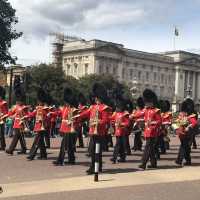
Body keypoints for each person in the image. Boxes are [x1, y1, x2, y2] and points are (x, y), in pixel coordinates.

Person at [77, 83, 111, 174]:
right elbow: (86, 114)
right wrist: (77, 116)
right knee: (94, 150)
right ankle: (97, 166)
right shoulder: (92, 107)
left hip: (99, 132)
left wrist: (98, 122)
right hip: (93, 131)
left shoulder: (104, 108)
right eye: (95, 97)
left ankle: (94, 167)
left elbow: (105, 120)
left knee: (94, 150)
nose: (96, 99)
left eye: (97, 97)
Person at [53, 88, 79, 165]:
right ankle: (71, 160)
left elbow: (76, 119)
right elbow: (59, 113)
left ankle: (60, 160)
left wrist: (72, 121)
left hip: (69, 129)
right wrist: (51, 112)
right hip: (64, 128)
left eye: (67, 102)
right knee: (70, 146)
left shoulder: (73, 109)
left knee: (64, 145)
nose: (66, 103)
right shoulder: (65, 108)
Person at [138, 89, 162, 170]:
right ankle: (153, 163)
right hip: (147, 131)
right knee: (150, 148)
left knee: (147, 147)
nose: (147, 104)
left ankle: (143, 163)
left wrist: (152, 123)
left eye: (148, 102)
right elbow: (139, 114)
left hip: (153, 131)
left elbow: (159, 121)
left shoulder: (156, 111)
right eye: (146, 102)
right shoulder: (146, 110)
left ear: (152, 102)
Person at [27, 89, 51, 160]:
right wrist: (26, 115)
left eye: (39, 101)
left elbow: (48, 117)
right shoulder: (38, 108)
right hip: (38, 126)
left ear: (41, 101)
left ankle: (31, 155)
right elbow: (32, 114)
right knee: (40, 141)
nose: (38, 102)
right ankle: (43, 155)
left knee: (37, 140)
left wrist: (43, 119)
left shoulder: (45, 108)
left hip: (43, 126)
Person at [175, 99, 197, 166]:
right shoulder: (181, 116)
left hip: (187, 134)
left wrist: (189, 127)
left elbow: (194, 123)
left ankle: (179, 160)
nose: (183, 112)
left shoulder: (190, 117)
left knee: (183, 147)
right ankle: (188, 161)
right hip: (181, 134)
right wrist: (176, 128)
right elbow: (177, 123)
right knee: (186, 148)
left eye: (184, 111)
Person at [5, 89, 28, 155]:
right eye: (18, 100)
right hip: (16, 123)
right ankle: (24, 149)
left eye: (19, 101)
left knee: (16, 136)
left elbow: (27, 114)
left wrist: (24, 117)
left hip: (22, 123)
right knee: (20, 137)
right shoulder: (15, 107)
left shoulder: (24, 107)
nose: (18, 102)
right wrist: (13, 116)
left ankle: (10, 149)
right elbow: (9, 114)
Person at [110, 95, 130, 163]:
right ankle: (121, 158)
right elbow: (112, 120)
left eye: (118, 107)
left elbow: (127, 123)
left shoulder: (125, 114)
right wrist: (113, 124)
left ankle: (114, 157)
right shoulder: (116, 114)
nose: (117, 108)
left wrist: (121, 124)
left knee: (120, 145)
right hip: (118, 132)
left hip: (123, 132)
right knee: (119, 145)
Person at [0, 86, 8, 150]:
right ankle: (3, 145)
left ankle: (2, 146)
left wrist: (3, 117)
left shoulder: (3, 103)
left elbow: (6, 112)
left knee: (1, 133)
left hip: (1, 120)